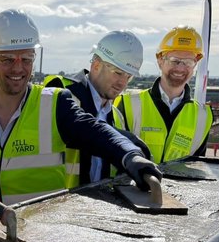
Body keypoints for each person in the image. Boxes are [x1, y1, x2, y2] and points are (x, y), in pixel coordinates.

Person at [0, 9, 160, 204]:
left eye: (26, 59)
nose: (18, 68)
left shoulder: (54, 103)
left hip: (41, 234)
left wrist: (130, 155)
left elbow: (95, 131)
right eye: (7, 59)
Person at [43, 30, 149, 183]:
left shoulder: (117, 117)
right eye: (118, 73)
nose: (123, 83)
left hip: (97, 203)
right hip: (57, 202)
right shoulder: (63, 96)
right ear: (96, 65)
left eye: (128, 76)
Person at [113, 25, 213, 162]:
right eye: (174, 61)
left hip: (180, 184)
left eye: (188, 62)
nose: (180, 68)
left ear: (195, 65)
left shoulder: (203, 116)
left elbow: (196, 167)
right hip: (132, 183)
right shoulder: (127, 103)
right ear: (160, 60)